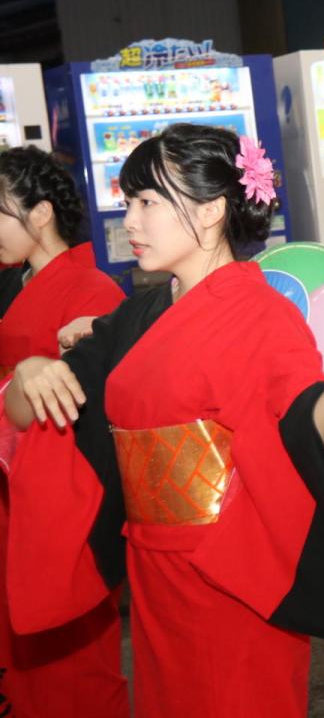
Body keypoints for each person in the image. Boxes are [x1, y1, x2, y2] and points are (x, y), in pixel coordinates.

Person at [3, 124, 324, 717]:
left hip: (229, 570)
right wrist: (30, 371)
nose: (129, 220)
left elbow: (302, 425)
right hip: (152, 568)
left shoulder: (260, 312)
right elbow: (24, 411)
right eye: (129, 201)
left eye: (147, 202)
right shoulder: (138, 316)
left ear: (210, 211)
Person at [0, 147, 126, 717]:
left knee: (71, 668)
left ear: (42, 214)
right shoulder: (23, 282)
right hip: (18, 500)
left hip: (58, 507)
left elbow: (91, 416)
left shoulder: (92, 293)